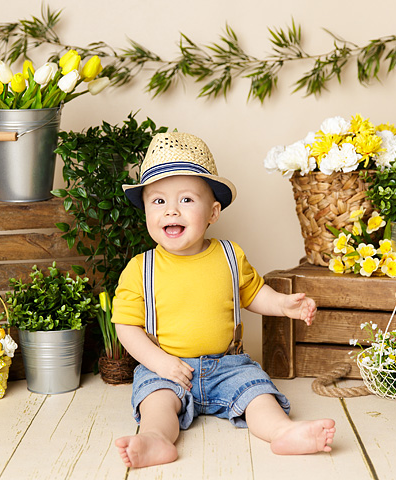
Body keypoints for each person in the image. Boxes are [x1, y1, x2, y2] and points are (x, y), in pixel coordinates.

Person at [112, 132, 335, 468]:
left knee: (259, 394)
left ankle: (282, 432)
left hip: (228, 365)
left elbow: (253, 293)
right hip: (169, 368)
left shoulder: (230, 256)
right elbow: (126, 325)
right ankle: (156, 439)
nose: (171, 210)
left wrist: (282, 304)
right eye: (158, 201)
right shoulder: (141, 269)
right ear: (145, 211)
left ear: (213, 211)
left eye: (186, 200)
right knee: (156, 403)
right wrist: (160, 363)